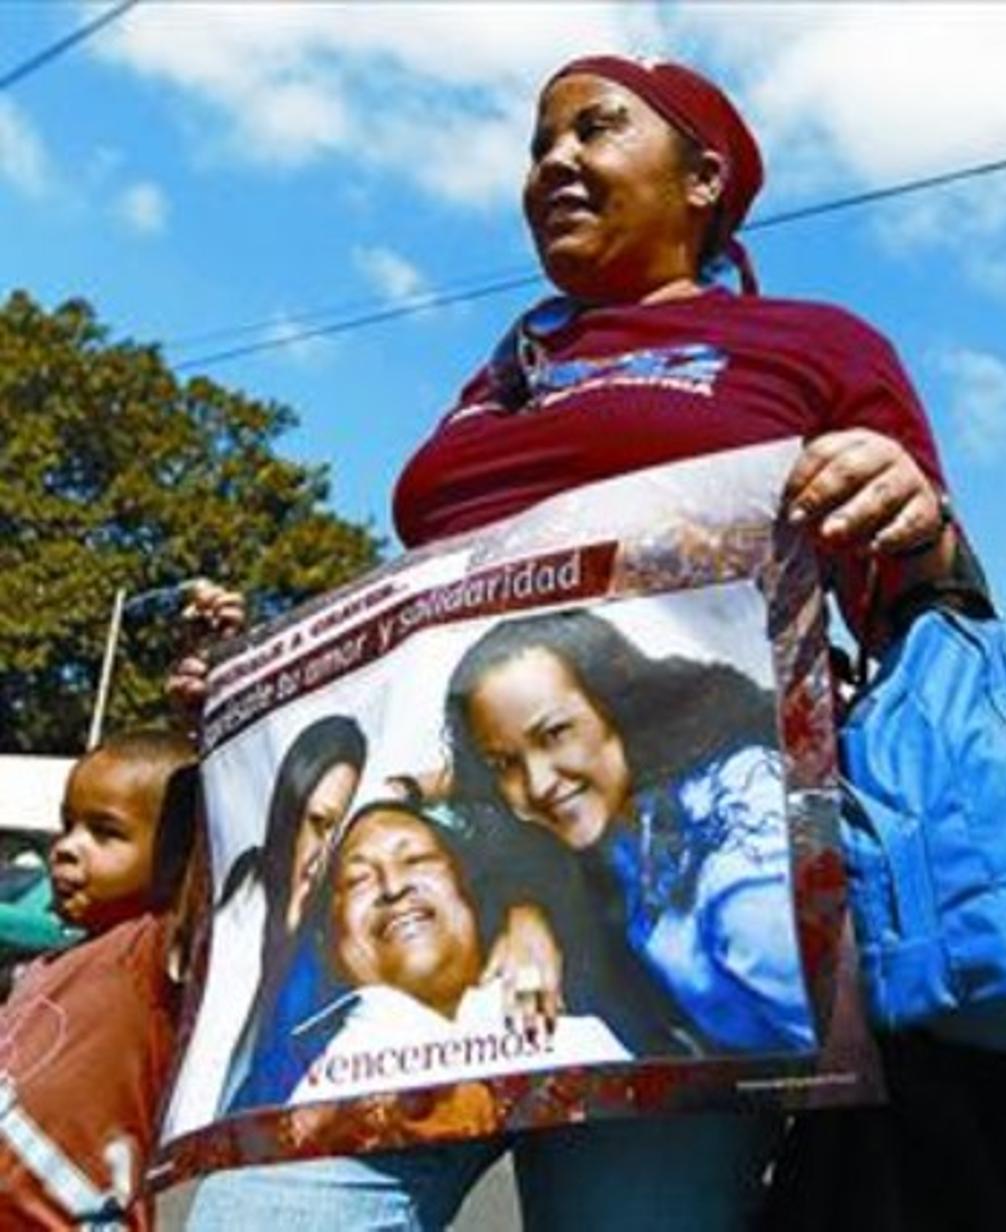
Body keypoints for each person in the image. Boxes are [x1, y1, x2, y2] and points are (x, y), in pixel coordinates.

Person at [181, 52, 963, 1232]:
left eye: (595, 130)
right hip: (439, 911)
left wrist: (915, 512)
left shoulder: (817, 345)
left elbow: (923, 606)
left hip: (675, 937)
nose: (556, 161)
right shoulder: (496, 380)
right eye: (541, 141)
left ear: (704, 180)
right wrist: (265, 676)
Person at [445, 608, 813, 1054]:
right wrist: (527, 913)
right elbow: (476, 815)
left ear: (615, 705)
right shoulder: (624, 823)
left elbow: (843, 1060)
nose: (538, 783)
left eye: (555, 733)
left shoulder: (745, 878)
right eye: (504, 764)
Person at [283, 801, 629, 1107]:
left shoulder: (586, 1043)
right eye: (358, 879)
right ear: (325, 938)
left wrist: (527, 913)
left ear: (468, 891)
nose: (394, 887)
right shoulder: (304, 1106)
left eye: (416, 860)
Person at [0, 729, 198, 1230]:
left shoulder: (152, 950)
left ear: (179, 857)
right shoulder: (46, 966)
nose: (65, 848)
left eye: (105, 832)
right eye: (67, 825)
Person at [161, 715, 368, 1136]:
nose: (324, 857)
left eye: (343, 836)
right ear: (287, 816)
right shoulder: (239, 893)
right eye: (318, 824)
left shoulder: (343, 955)